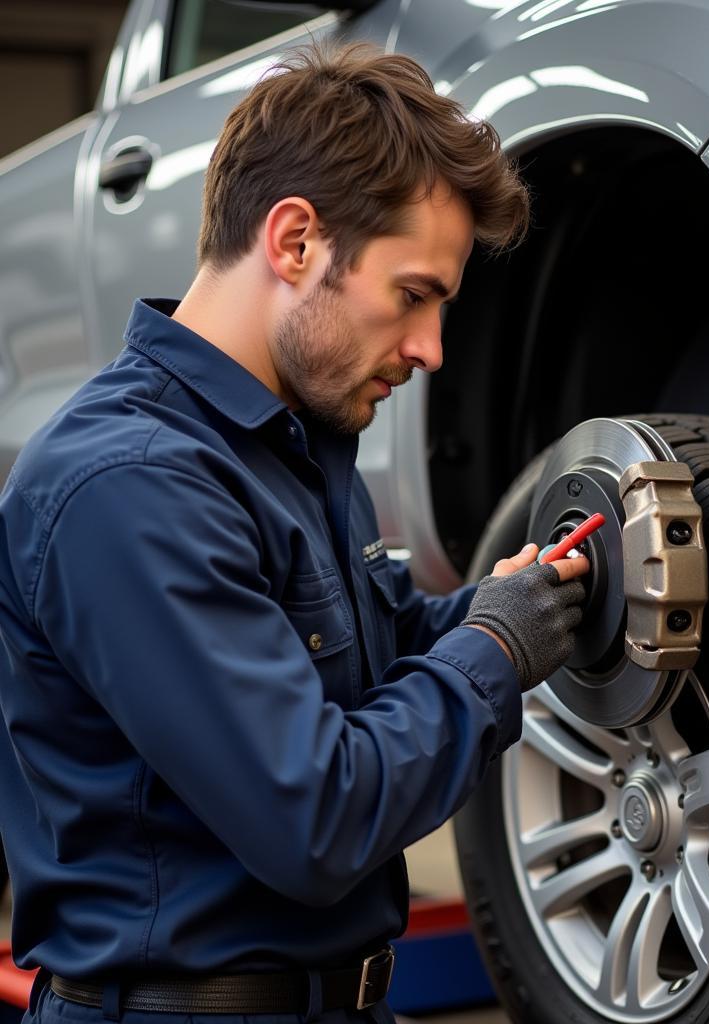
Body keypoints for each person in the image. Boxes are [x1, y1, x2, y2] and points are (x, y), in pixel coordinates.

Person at [0, 43, 590, 1024]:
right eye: (413, 294)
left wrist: (513, 601)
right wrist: (494, 649)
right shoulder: (129, 484)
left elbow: (374, 657)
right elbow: (316, 813)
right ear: (294, 241)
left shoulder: (295, 449)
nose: (432, 351)